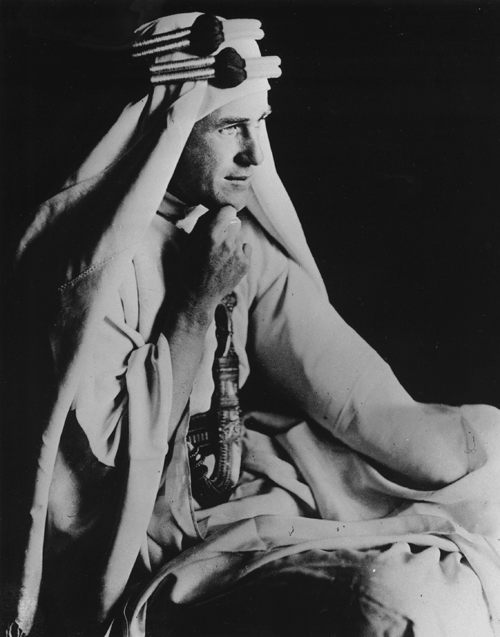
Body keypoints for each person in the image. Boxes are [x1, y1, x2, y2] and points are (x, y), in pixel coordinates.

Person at [3, 11, 500, 637]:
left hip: (239, 495)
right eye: (230, 127)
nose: (254, 154)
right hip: (145, 548)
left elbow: (356, 400)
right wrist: (195, 302)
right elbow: (103, 480)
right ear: (167, 129)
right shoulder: (88, 271)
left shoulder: (233, 238)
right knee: (393, 604)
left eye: (260, 124)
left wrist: (455, 456)